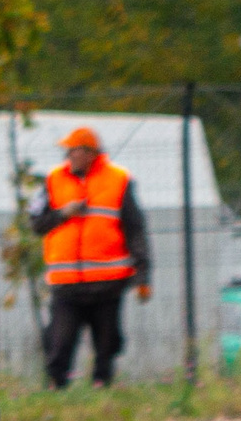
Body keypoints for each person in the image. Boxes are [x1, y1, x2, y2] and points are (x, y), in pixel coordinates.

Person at [27, 126, 152, 388]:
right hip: (66, 283)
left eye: (73, 150)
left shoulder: (119, 179)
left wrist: (143, 276)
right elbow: (36, 223)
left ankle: (102, 385)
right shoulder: (52, 181)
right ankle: (56, 386)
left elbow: (135, 229)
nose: (68, 155)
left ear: (90, 152)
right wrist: (63, 213)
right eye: (68, 150)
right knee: (60, 341)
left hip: (108, 282)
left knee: (107, 342)